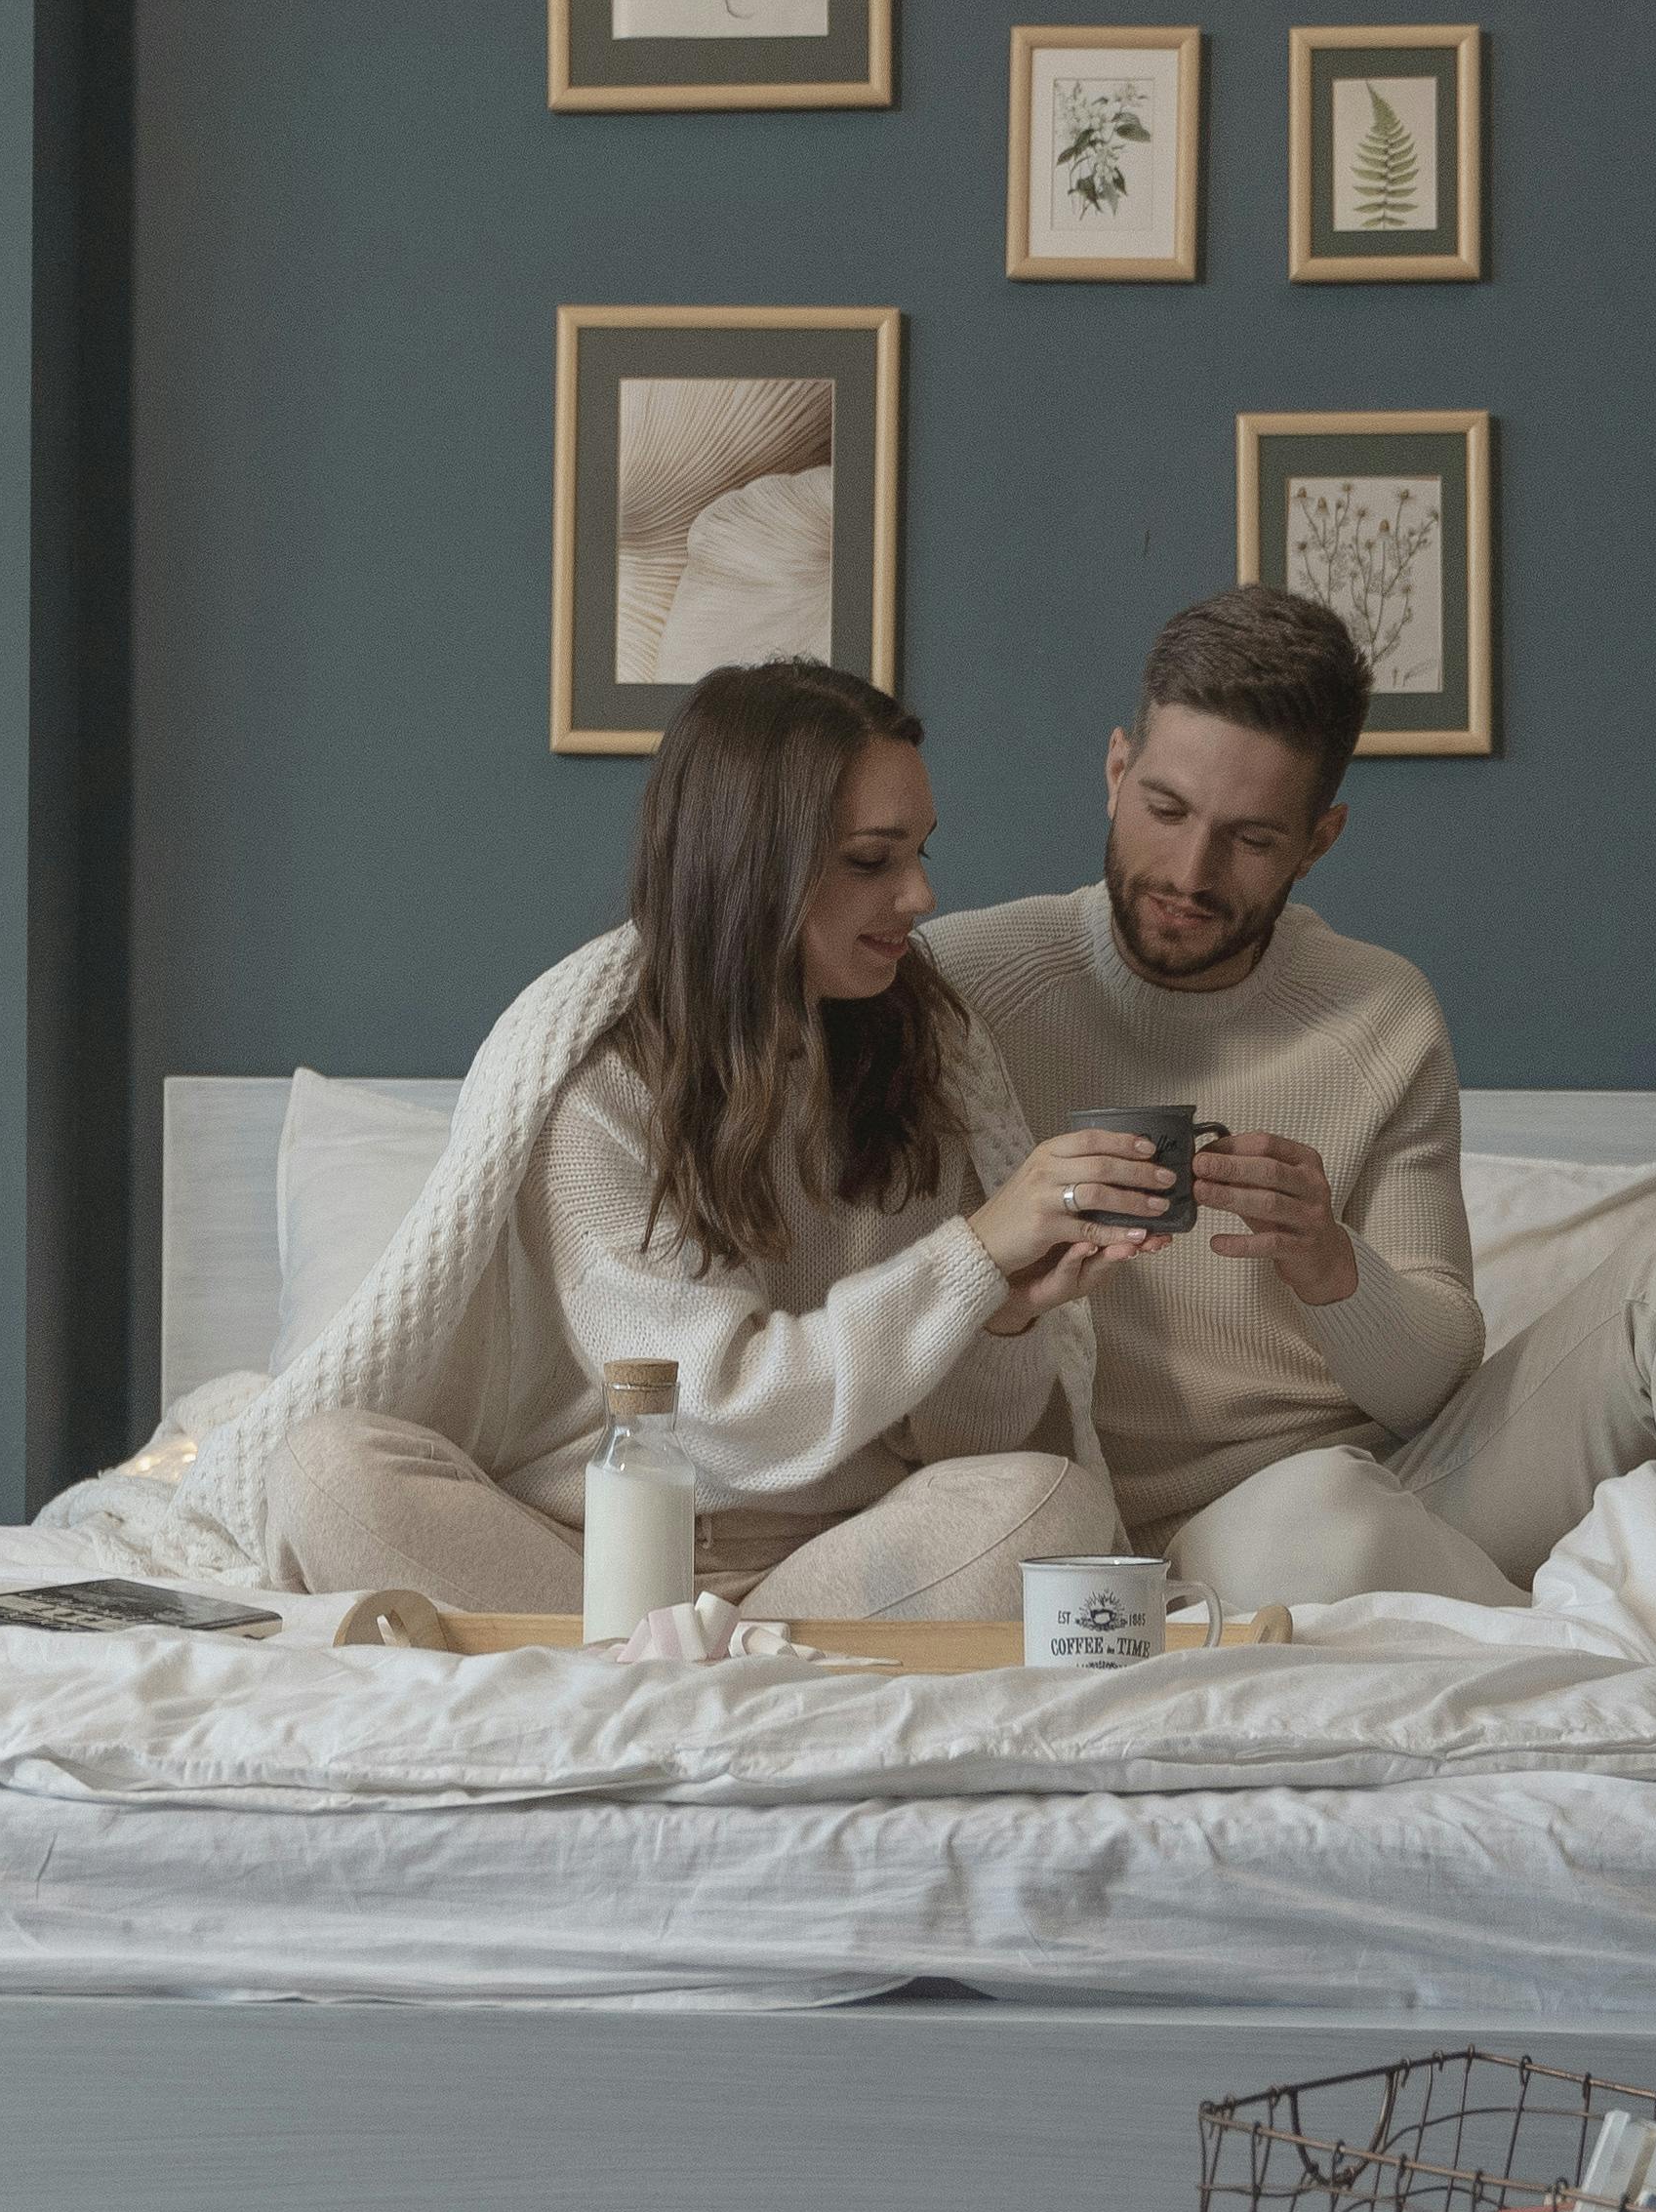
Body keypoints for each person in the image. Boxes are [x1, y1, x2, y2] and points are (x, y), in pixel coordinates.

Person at [918, 587, 1656, 1684]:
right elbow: (884, 1306)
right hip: (1153, 1548)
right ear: (1112, 768)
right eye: (1163, 806)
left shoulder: (1379, 1012)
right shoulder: (962, 985)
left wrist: (1333, 1266)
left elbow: (1428, 1382)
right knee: (1310, 1518)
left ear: (1317, 839)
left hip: (1406, 1484)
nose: (1189, 873)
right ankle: (1646, 1638)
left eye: (1248, 839)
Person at [255, 660, 1168, 1618]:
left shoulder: (920, 1056)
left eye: (920, 852)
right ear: (752, 864)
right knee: (324, 1469)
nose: (920, 896)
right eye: (872, 859)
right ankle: (719, 1670)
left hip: (827, 1561)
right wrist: (973, 1251)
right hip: (585, 1560)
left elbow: (959, 1442)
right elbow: (720, 1410)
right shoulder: (596, 1088)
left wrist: (1002, 1313)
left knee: (1049, 1497)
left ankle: (666, 1677)